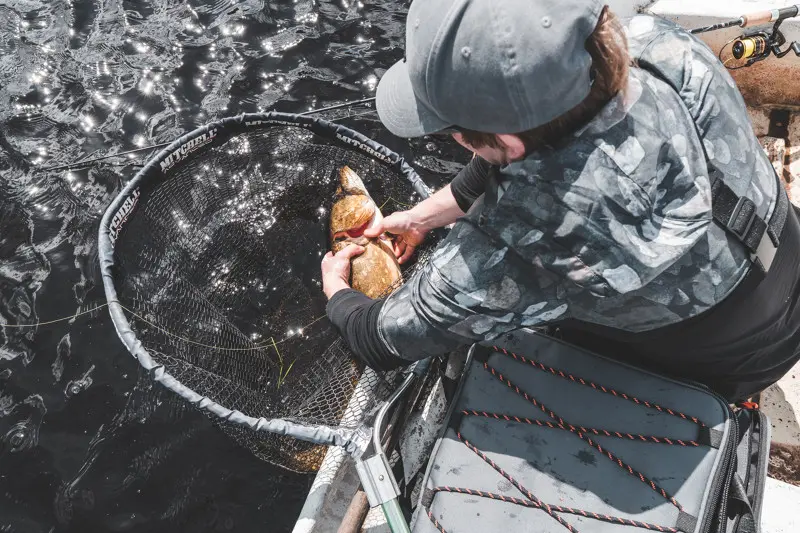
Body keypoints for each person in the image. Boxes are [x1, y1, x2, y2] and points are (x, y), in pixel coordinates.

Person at [320, 0, 800, 403]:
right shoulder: (660, 44)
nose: (458, 142)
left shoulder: (517, 241)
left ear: (503, 143)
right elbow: (533, 142)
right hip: (787, 272)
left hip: (724, 368)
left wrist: (339, 293)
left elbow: (380, 339)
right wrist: (425, 215)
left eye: (457, 134)